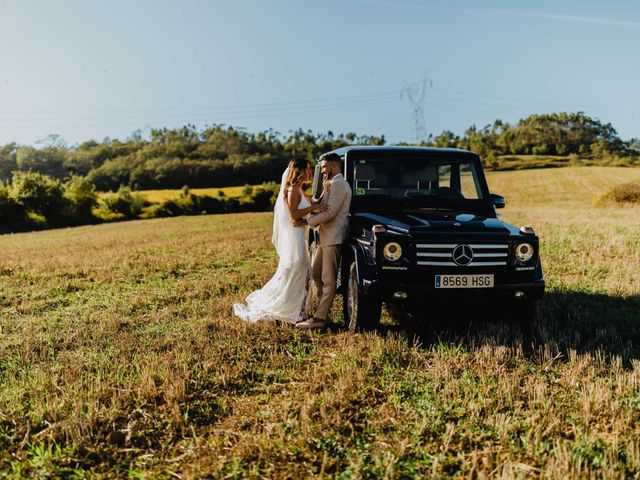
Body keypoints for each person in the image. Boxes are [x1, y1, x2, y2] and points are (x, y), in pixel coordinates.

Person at [233, 158, 327, 324]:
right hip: (295, 237)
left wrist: (324, 193)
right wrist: (313, 208)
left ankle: (299, 311)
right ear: (300, 171)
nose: (310, 172)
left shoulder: (299, 189)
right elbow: (294, 215)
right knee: (297, 271)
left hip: (300, 234)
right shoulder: (292, 190)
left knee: (302, 272)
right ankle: (289, 309)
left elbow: (311, 205)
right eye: (308, 169)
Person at [295, 153, 352, 330]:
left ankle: (320, 319)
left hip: (334, 237)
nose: (323, 172)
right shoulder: (331, 184)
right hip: (324, 237)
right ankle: (321, 311)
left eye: (325, 168)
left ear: (335, 167)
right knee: (316, 274)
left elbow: (330, 213)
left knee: (328, 280)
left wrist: (305, 221)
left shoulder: (340, 184)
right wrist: (323, 192)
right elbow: (321, 205)